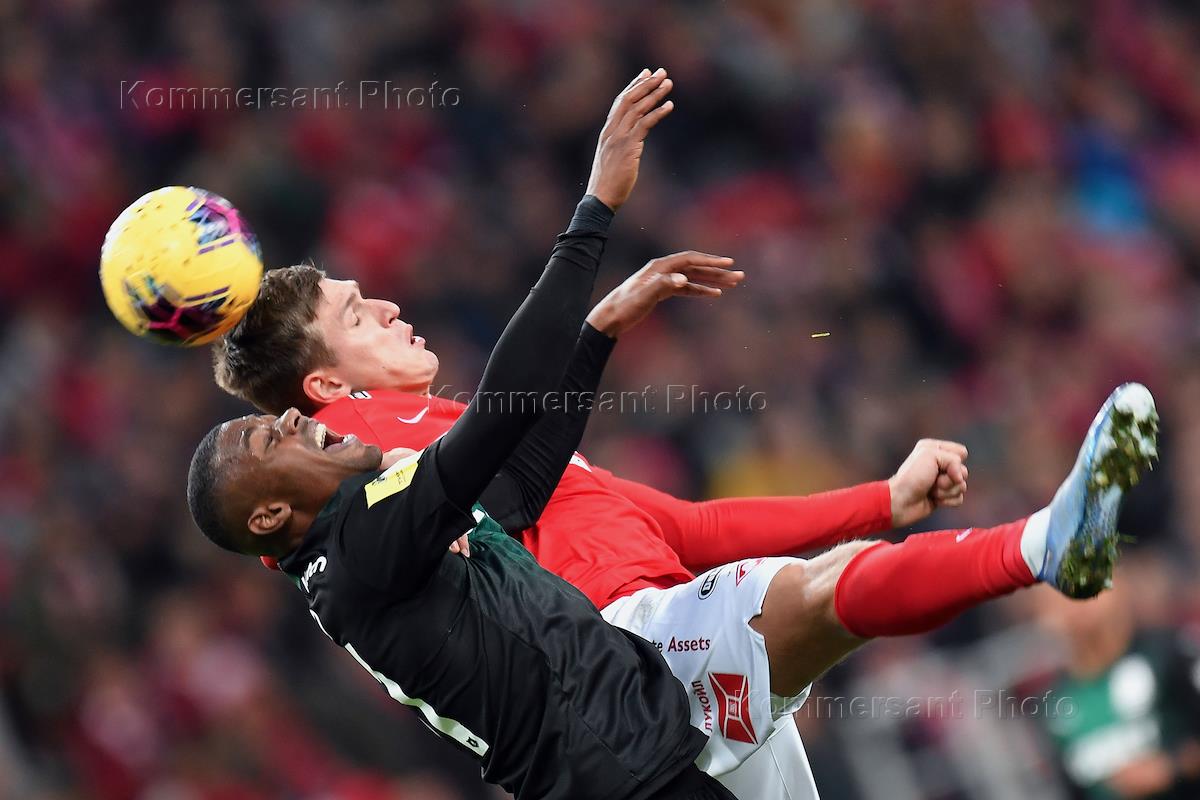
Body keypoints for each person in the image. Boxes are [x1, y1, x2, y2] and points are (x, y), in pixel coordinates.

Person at [211, 69, 1162, 799]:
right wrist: (594, 215)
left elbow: (682, 527)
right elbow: (502, 433)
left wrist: (881, 499)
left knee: (820, 588)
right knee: (821, 592)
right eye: (357, 311)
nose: (387, 306)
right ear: (325, 384)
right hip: (624, 654)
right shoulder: (359, 439)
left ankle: (1039, 544)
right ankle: (1043, 543)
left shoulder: (434, 440)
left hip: (654, 675)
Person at [188, 69, 746, 800]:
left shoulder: (368, 532)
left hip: (629, 752)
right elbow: (497, 420)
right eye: (269, 440)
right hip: (615, 774)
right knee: (798, 595)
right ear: (268, 515)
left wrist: (597, 334)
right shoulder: (361, 541)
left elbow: (518, 480)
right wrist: (595, 211)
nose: (292, 421)